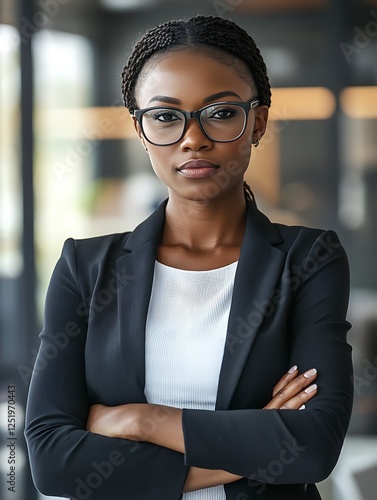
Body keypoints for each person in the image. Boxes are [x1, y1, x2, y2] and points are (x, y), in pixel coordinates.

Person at [25, 15, 353, 500]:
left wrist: (143, 419)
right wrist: (252, 446)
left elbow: (313, 448)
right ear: (140, 130)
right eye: (164, 116)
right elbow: (54, 464)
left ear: (257, 121)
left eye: (220, 113)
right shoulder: (85, 268)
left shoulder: (308, 259)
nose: (193, 138)